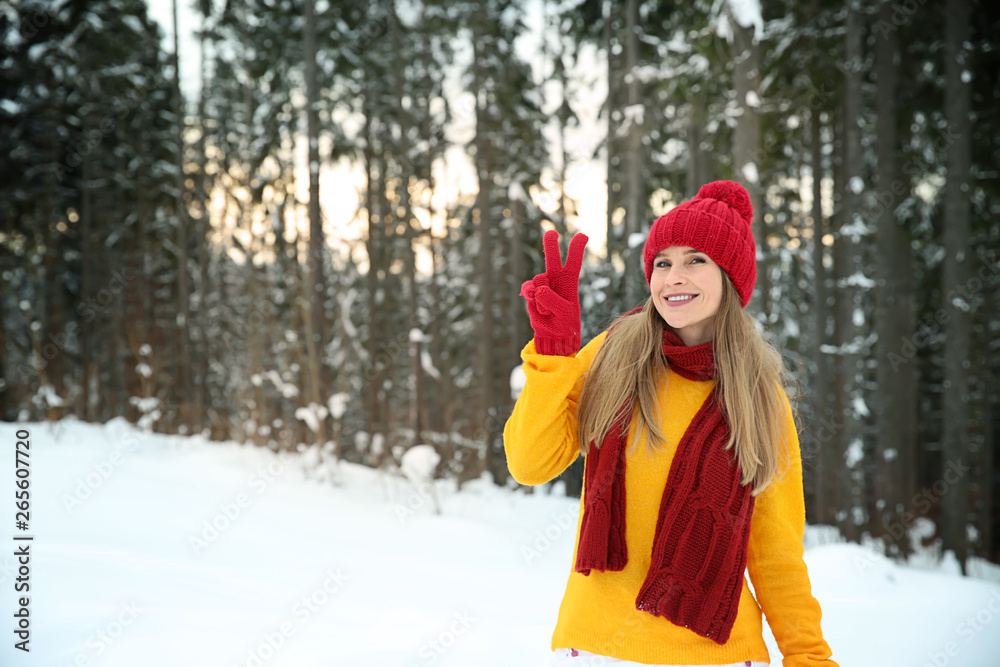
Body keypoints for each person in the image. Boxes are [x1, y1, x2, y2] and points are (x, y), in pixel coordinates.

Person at [503, 181, 839, 667]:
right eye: (663, 262)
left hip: (715, 655)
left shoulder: (758, 397)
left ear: (730, 277)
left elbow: (776, 554)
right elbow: (529, 465)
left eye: (696, 260)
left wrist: (809, 656)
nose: (673, 277)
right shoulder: (612, 355)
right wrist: (554, 357)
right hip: (598, 647)